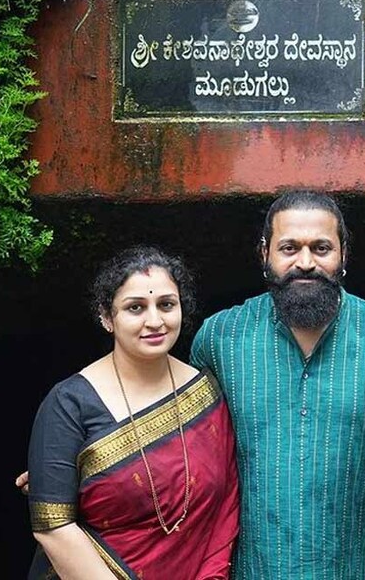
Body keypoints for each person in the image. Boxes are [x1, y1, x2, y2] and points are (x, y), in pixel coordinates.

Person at [190, 191, 365, 579]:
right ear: (265, 254)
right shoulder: (220, 338)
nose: (305, 263)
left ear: (344, 254)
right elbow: (188, 466)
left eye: (321, 248)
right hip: (251, 570)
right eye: (289, 248)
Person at [26, 246, 239, 580]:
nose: (154, 321)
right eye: (135, 308)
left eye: (166, 305)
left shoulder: (205, 394)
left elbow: (226, 506)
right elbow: (54, 527)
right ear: (107, 318)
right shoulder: (69, 405)